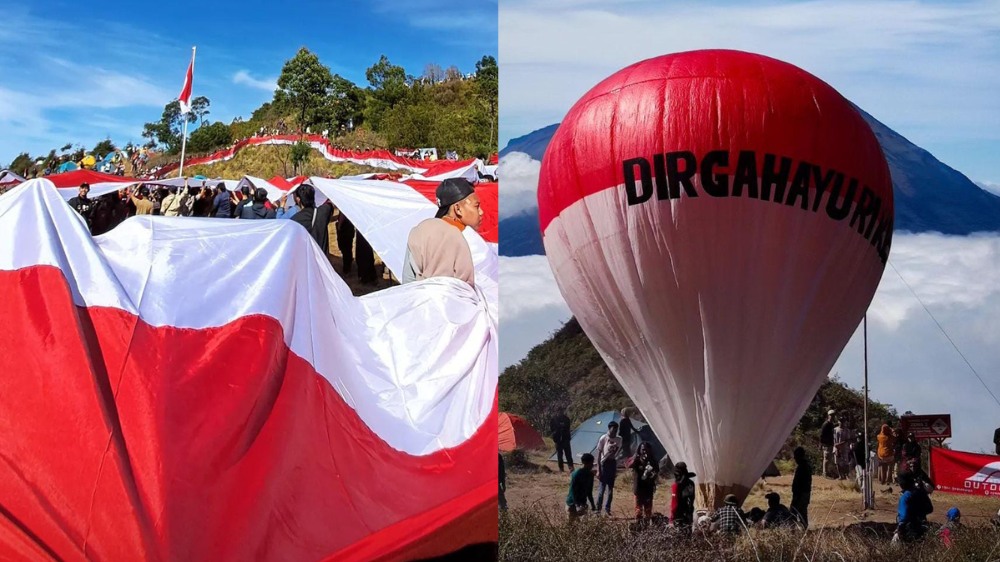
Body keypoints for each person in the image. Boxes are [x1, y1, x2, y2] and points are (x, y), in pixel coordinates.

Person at [402, 178, 481, 287]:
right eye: (476, 206)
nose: (481, 212)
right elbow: (467, 288)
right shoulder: (464, 238)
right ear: (458, 209)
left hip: (419, 300)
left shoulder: (418, 231)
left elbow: (408, 280)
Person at [290, 185, 335, 252]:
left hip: (307, 259)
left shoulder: (294, 220)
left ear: (298, 199)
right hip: (322, 259)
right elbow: (330, 203)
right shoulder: (324, 211)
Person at [895, 472, 933, 542]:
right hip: (921, 526)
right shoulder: (921, 492)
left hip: (909, 528)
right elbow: (930, 509)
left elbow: (904, 516)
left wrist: (899, 529)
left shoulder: (905, 496)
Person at [594, 421, 622, 515]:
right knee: (602, 488)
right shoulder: (603, 438)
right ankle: (598, 509)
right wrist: (598, 469)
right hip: (604, 464)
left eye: (616, 430)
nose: (614, 432)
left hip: (612, 464)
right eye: (613, 430)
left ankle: (607, 509)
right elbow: (598, 454)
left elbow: (616, 451)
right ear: (609, 428)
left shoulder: (619, 439)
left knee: (610, 489)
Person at [631, 442, 658, 520]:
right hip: (638, 489)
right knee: (638, 511)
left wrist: (652, 475)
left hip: (648, 489)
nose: (645, 452)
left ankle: (646, 529)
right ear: (639, 450)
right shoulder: (637, 460)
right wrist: (635, 458)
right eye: (643, 450)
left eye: (646, 450)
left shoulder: (653, 461)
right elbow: (628, 465)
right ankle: (638, 527)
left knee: (648, 511)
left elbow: (656, 472)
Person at [566, 453, 596, 520]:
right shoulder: (577, 474)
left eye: (592, 463)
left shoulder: (590, 475)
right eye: (590, 463)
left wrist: (593, 504)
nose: (592, 465)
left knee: (581, 526)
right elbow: (573, 490)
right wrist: (577, 505)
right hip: (572, 503)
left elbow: (589, 491)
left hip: (582, 504)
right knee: (571, 526)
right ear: (584, 463)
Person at [670, 461, 696, 530]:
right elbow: (692, 499)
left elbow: (674, 503)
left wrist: (671, 518)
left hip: (678, 513)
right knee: (687, 533)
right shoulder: (691, 483)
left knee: (678, 535)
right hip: (688, 512)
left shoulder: (676, 485)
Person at [791, 446, 812, 529]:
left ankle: (794, 530)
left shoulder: (802, 467)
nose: (795, 458)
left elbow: (799, 483)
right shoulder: (806, 466)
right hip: (804, 494)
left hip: (800, 494)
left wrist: (796, 495)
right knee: (802, 513)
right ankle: (804, 528)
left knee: (794, 512)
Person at [820, 410, 837, 478]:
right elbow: (821, 435)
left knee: (829, 459)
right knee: (826, 458)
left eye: (833, 415)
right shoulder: (826, 424)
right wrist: (822, 444)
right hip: (826, 444)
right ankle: (825, 473)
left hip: (830, 443)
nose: (832, 417)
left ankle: (828, 472)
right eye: (831, 415)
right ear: (828, 416)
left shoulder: (832, 424)